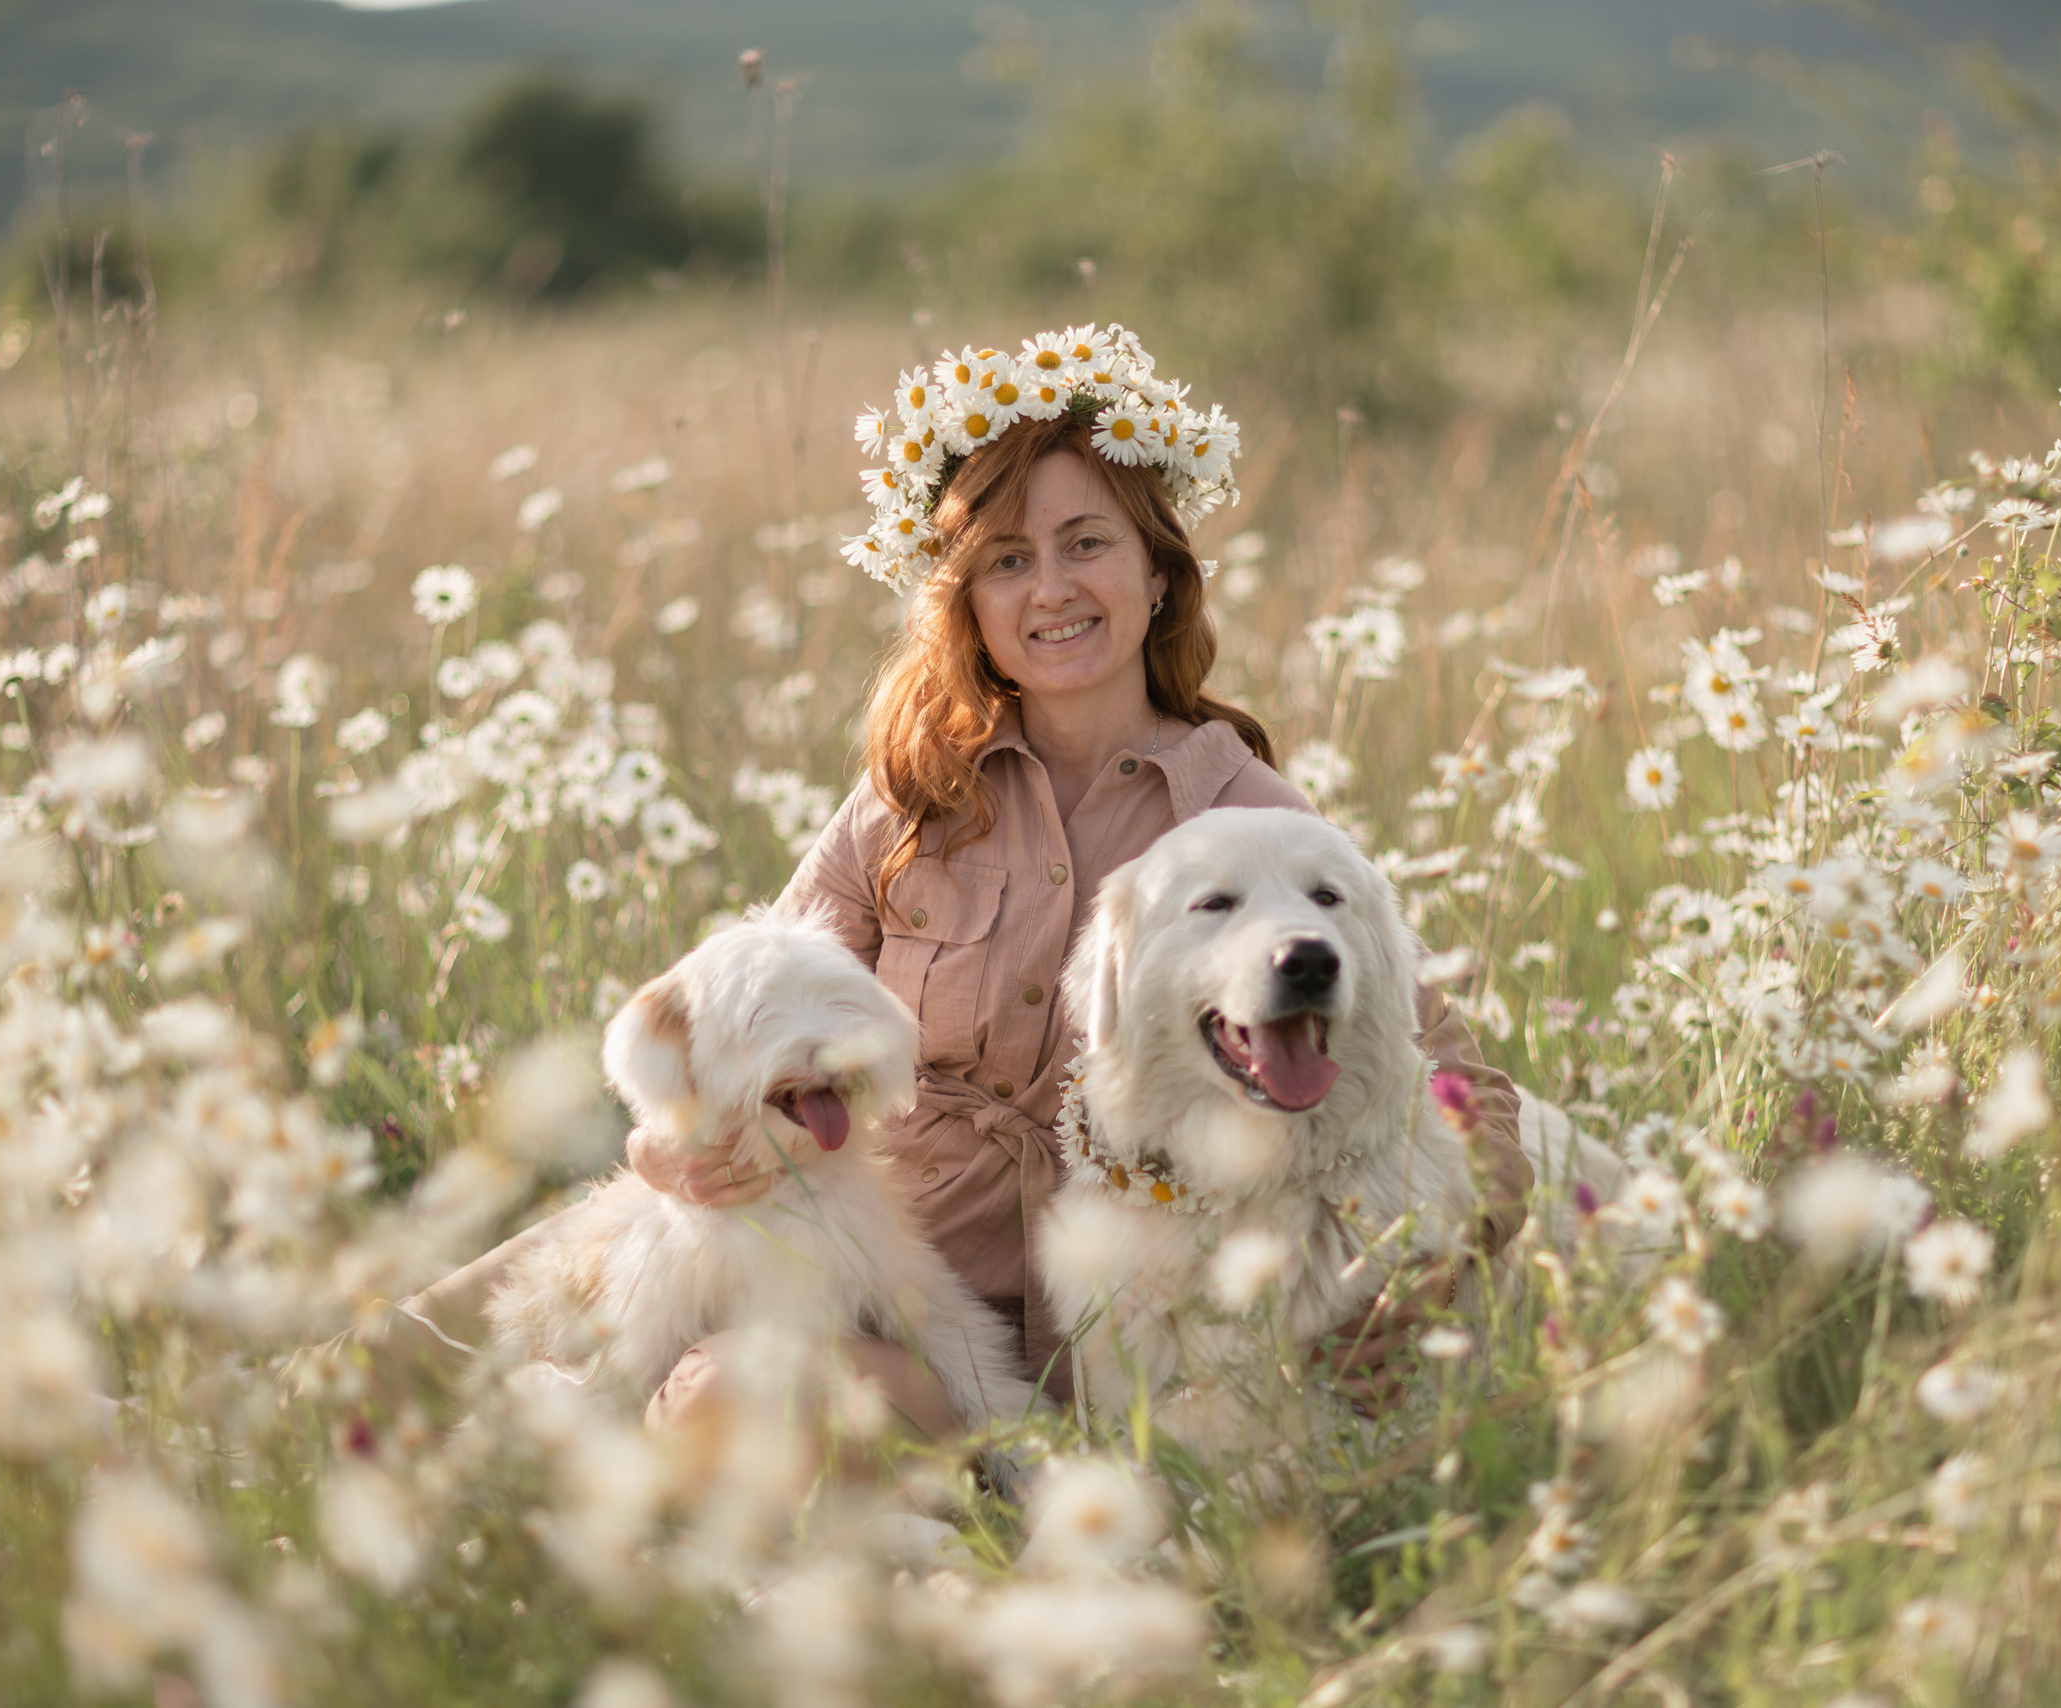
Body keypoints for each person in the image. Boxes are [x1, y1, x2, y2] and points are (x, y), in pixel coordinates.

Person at [397, 328, 1530, 1446]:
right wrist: (661, 1150)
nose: (1052, 589)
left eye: (1087, 542)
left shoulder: (1250, 833)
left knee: (715, 1397)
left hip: (1090, 1351)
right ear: (969, 604)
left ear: (1157, 572)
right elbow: (742, 1003)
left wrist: (1429, 1277)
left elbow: (1464, 1084)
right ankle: (316, 1400)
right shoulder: (910, 801)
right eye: (1006, 559)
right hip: (865, 1273)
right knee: (482, 1305)